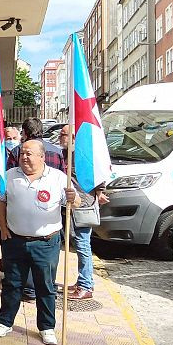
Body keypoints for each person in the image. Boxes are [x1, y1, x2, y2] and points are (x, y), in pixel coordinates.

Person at [0, 140, 80, 345]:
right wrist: (3, 228)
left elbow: (76, 203)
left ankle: (47, 327)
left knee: (45, 286)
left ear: (42, 156)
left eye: (29, 154)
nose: (24, 157)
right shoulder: (9, 176)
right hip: (15, 240)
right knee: (12, 283)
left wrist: (73, 198)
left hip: (46, 243)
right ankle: (5, 321)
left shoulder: (58, 178)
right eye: (22, 153)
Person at [59, 124, 109, 300]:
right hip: (70, 204)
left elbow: (99, 174)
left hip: (83, 204)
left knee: (82, 244)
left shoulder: (82, 154)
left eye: (63, 135)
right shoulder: (64, 154)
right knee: (77, 243)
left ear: (73, 137)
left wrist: (100, 192)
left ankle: (86, 285)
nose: (60, 138)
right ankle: (84, 281)